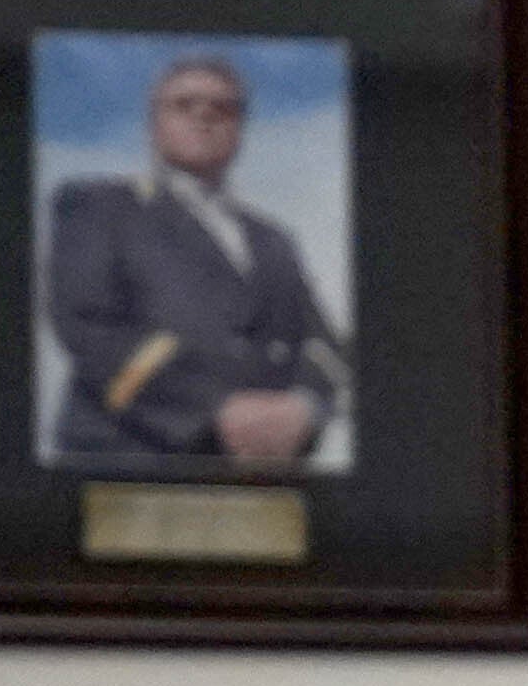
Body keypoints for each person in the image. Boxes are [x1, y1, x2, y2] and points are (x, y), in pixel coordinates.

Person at [42, 54, 348, 468]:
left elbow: (320, 344)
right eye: (184, 105)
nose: (204, 115)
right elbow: (88, 327)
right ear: (154, 124)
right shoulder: (100, 207)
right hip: (132, 456)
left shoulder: (271, 238)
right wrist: (214, 409)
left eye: (223, 107)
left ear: (240, 127)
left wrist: (304, 407)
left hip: (261, 468)